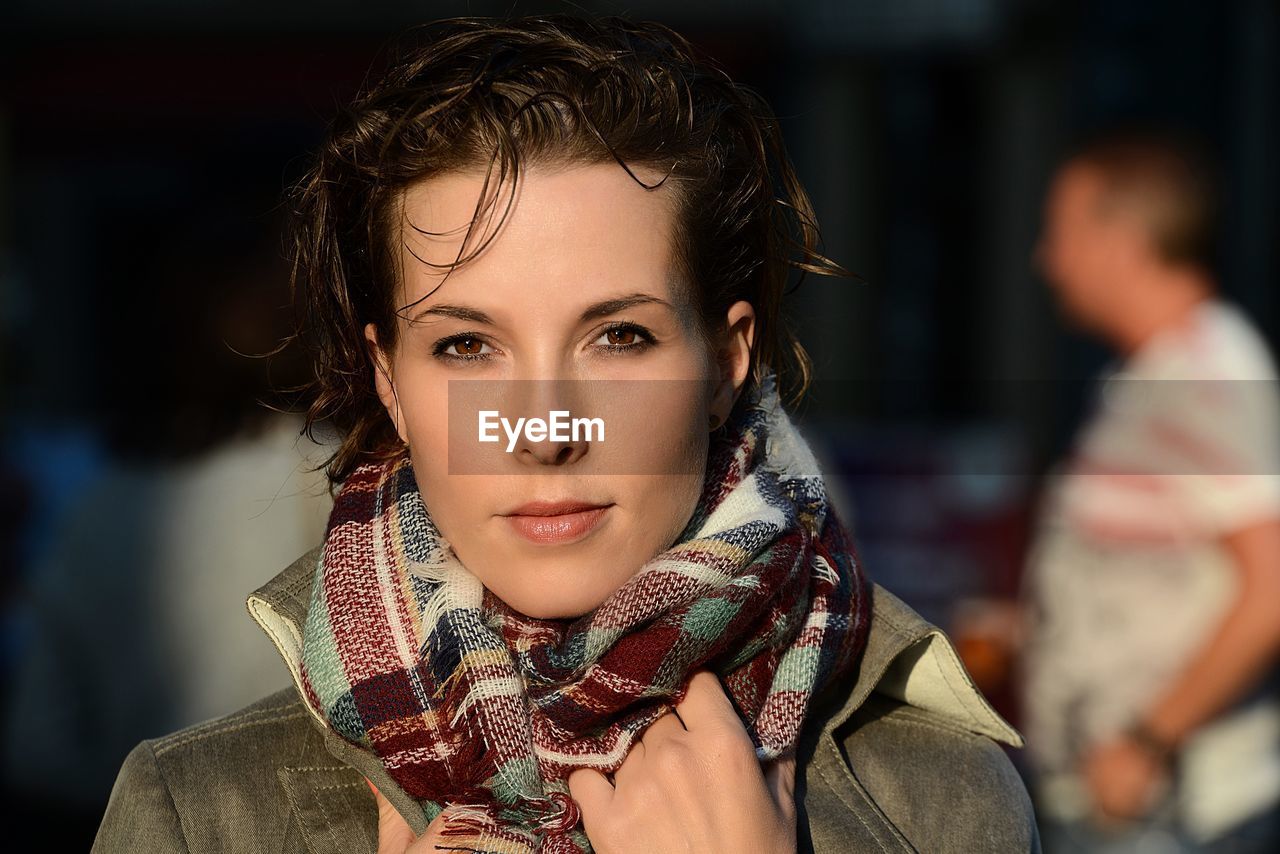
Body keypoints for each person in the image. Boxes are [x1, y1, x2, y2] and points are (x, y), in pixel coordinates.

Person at [91, 15, 1039, 853]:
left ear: (726, 360)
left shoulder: (940, 805)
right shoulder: (198, 815)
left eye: (619, 337)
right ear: (390, 381)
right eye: (467, 345)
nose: (545, 431)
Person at [1020, 130, 1280, 852]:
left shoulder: (1206, 371)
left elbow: (1273, 584)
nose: (1046, 260)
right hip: (1132, 812)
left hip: (1186, 813)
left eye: (1062, 232)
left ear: (1122, 239)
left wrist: (1146, 740)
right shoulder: (1155, 375)